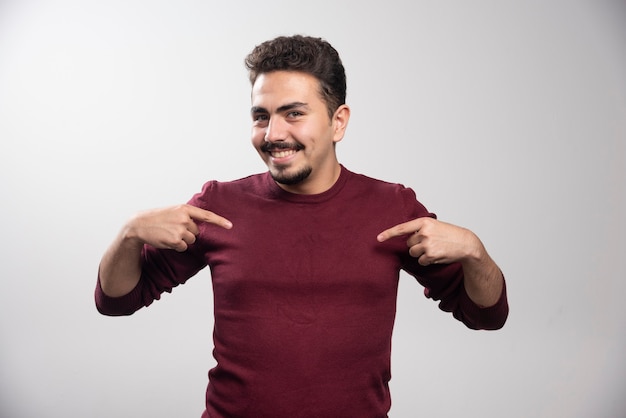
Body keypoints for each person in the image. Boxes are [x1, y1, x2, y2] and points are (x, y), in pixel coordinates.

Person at [95, 35, 508, 418]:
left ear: (338, 121)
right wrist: (129, 234)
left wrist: (475, 251)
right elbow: (118, 300)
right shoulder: (218, 204)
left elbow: (485, 315)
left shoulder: (392, 207)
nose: (274, 134)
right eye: (261, 117)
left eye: (294, 113)